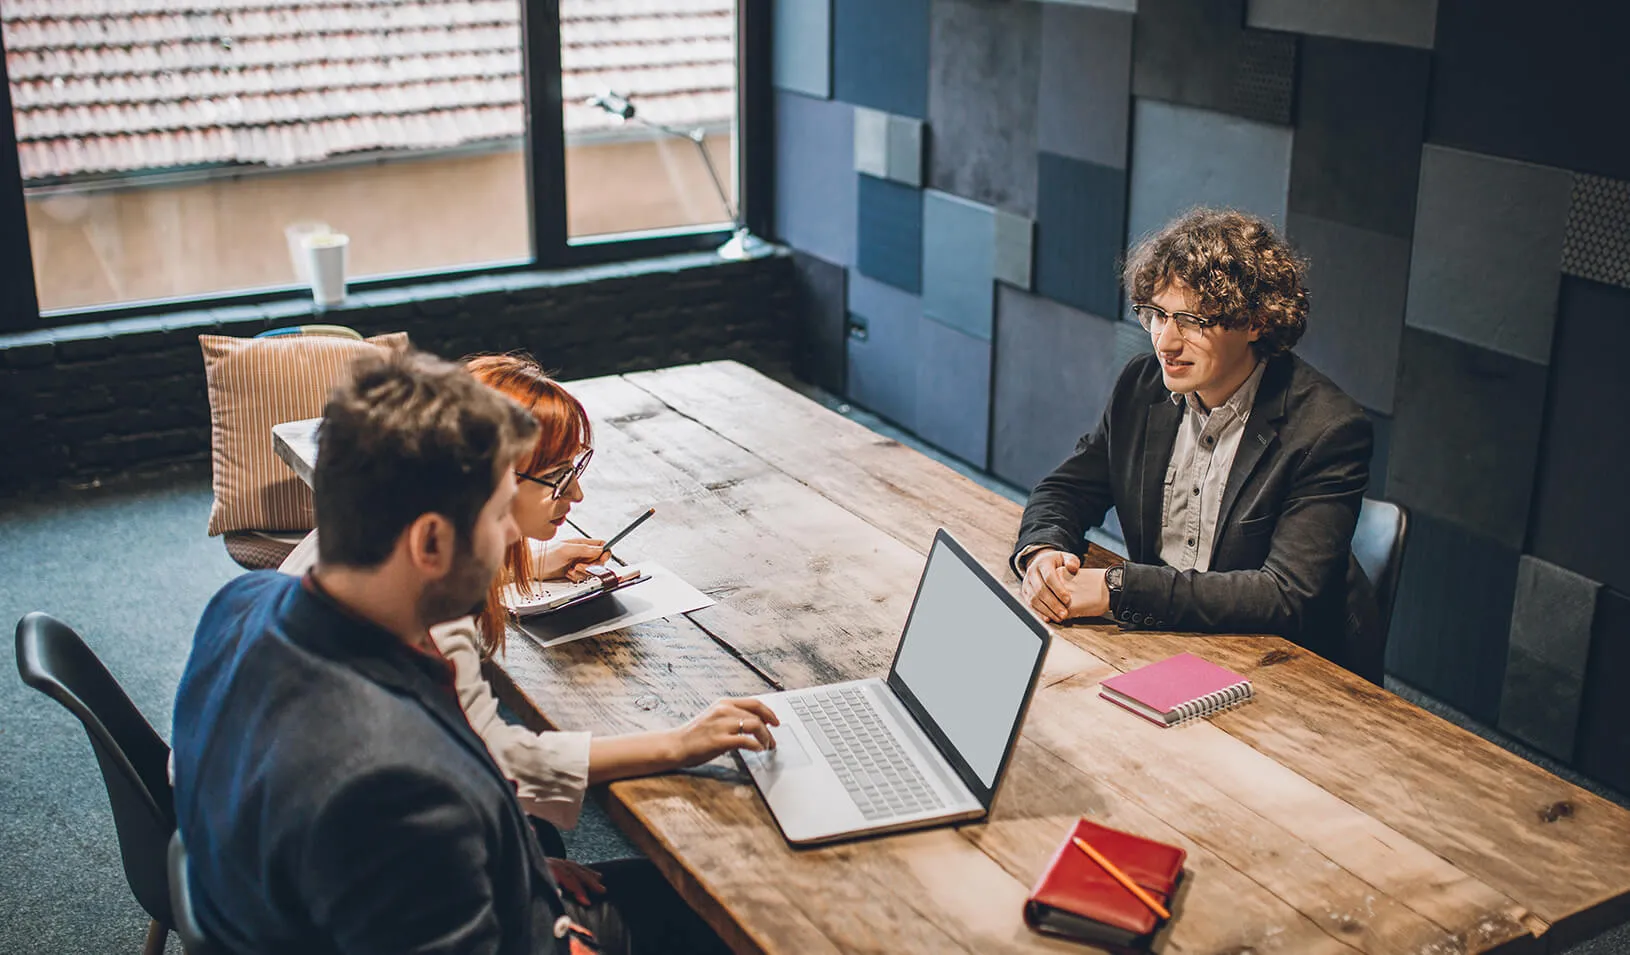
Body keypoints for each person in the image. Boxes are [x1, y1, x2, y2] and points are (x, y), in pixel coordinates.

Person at [170, 349, 752, 954]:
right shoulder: (400, 786)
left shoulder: (241, 602)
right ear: (430, 540)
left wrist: (513, 867)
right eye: (500, 513)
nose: (509, 537)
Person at [1013, 208, 1383, 683]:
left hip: (1284, 666)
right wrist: (1044, 552)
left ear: (1256, 323)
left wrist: (1117, 590)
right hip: (1165, 639)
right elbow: (1067, 489)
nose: (1165, 342)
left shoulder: (1329, 430)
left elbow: (1285, 596)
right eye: (1158, 315)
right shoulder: (1141, 385)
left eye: (1191, 320)